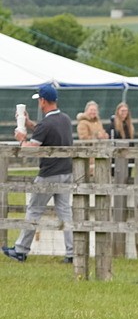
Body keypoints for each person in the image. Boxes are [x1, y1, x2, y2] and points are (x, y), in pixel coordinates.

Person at [3, 83, 75, 264]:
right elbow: (48, 132)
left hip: (49, 173)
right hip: (66, 172)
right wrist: (29, 124)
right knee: (65, 213)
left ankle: (20, 250)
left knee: (34, 210)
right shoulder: (65, 119)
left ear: (43, 101)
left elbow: (31, 149)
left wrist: (22, 140)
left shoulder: (46, 123)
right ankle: (73, 252)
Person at [109, 102, 135, 181]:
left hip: (128, 155)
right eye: (122, 111)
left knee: (127, 176)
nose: (124, 113)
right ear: (118, 111)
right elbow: (112, 141)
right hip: (117, 156)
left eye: (126, 111)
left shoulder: (129, 125)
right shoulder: (113, 125)